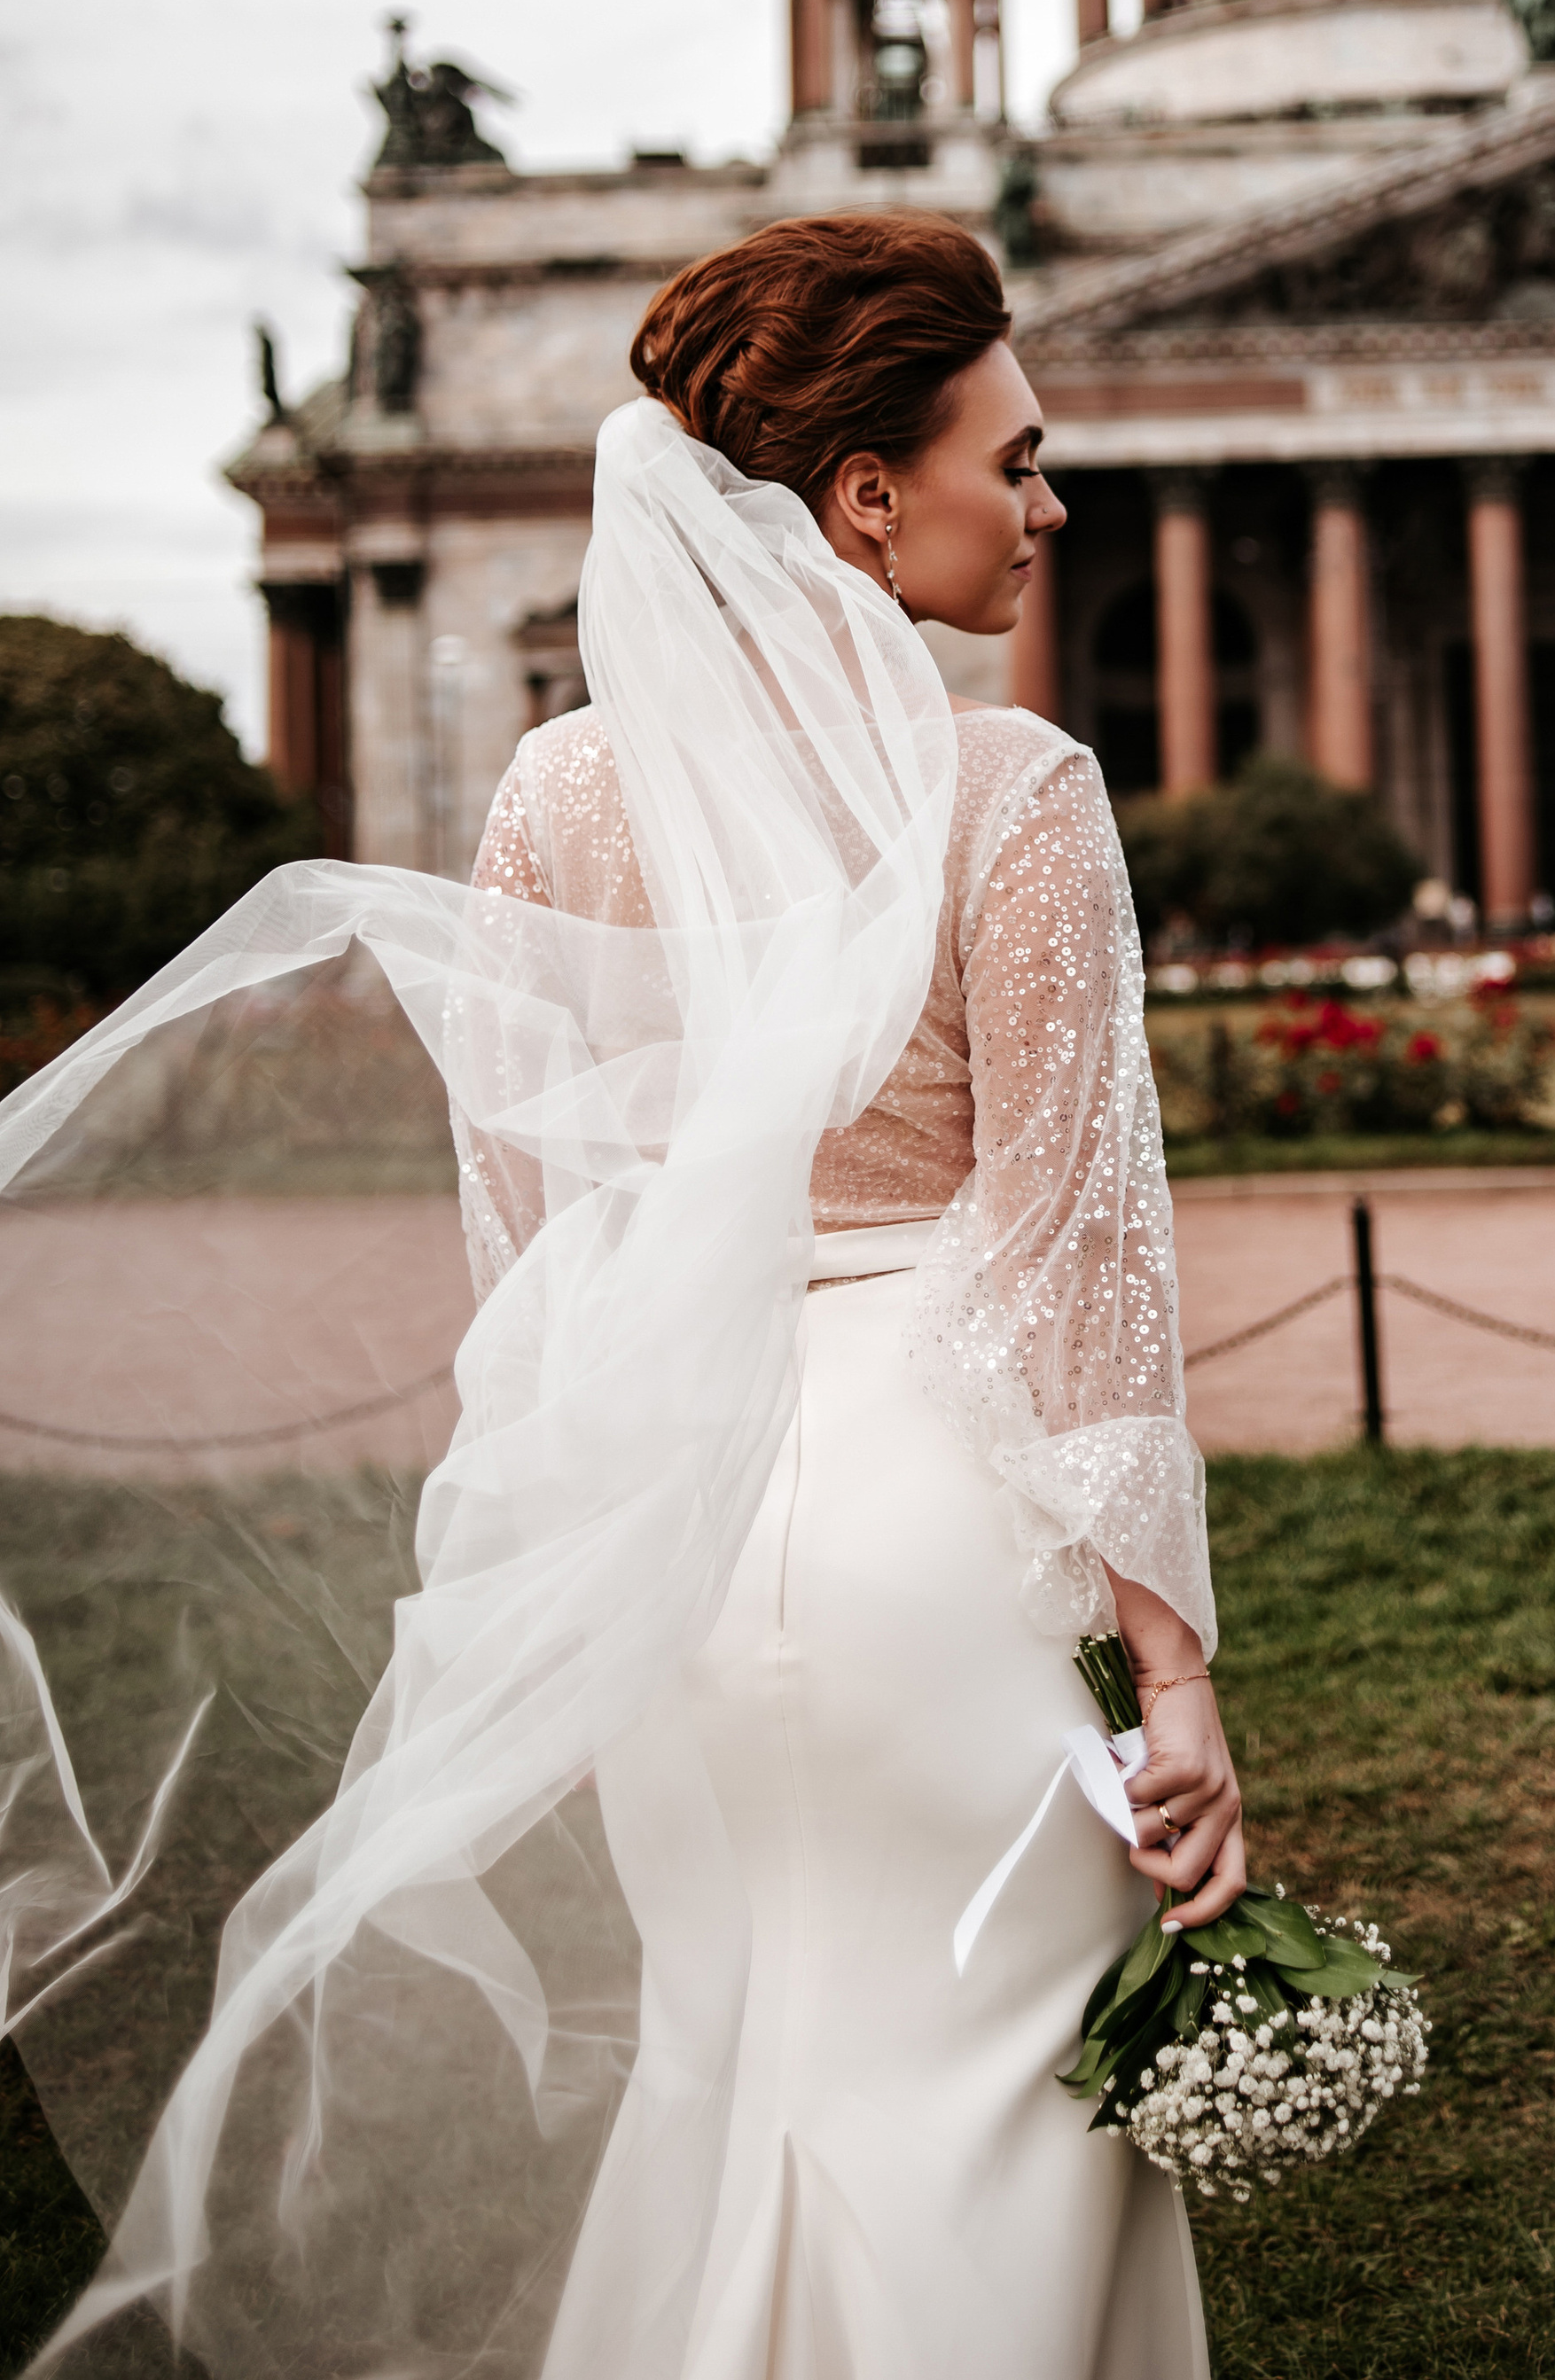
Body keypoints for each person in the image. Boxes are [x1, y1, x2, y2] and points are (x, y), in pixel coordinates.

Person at [3, 211, 1233, 2379]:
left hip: (680, 1545)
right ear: (866, 497)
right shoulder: (1013, 788)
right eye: (1013, 460)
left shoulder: (555, 792)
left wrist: (595, 1555)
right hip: (921, 1537)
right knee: (994, 2128)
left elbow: (537, 1244)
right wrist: (1176, 1678)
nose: (1049, 505)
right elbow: (1079, 1257)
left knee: (734, 2081)